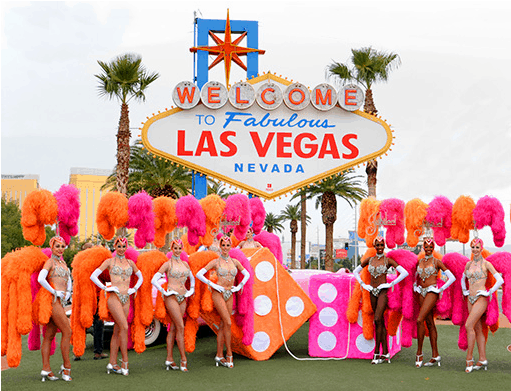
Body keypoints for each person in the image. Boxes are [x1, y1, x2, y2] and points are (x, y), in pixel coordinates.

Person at [90, 237, 143, 376]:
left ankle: (112, 363)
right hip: (114, 298)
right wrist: (106, 288)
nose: (121, 248)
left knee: (117, 331)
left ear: (126, 248)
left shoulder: (130, 263)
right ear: (115, 247)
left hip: (127, 298)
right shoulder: (109, 262)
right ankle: (125, 361)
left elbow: (141, 276)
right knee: (125, 327)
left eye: (123, 246)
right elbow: (93, 276)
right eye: (119, 246)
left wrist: (134, 288)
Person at [195, 235, 250, 368]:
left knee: (223, 325)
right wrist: (212, 285)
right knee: (228, 322)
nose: (225, 248)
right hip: (218, 293)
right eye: (223, 245)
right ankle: (229, 354)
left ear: (230, 247)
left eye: (227, 245)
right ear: (220, 246)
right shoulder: (215, 262)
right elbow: (199, 274)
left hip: (230, 294)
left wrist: (239, 286)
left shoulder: (235, 262)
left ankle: (219, 355)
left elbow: (247, 274)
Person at [353, 236, 409, 364]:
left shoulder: (388, 260)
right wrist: (363, 284)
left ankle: (377, 352)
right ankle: (386, 353)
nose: (379, 247)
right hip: (371, 291)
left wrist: (390, 284)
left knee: (378, 318)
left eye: (381, 245)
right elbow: (356, 271)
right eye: (377, 245)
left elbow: (404, 272)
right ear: (374, 246)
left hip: (383, 292)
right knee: (379, 322)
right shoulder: (370, 260)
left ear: (384, 246)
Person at [151, 239, 195, 372]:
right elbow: (154, 279)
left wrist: (191, 289)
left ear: (182, 249)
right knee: (180, 326)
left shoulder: (185, 264)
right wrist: (164, 291)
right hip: (171, 297)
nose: (177, 250)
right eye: (175, 248)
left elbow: (192, 279)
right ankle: (183, 359)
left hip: (183, 298)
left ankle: (169, 359)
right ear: (171, 249)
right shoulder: (167, 264)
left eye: (179, 248)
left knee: (174, 328)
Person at [461, 238, 503, 373]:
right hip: (470, 299)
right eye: (473, 247)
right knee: (478, 328)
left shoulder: (486, 264)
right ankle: (483, 359)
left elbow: (500, 279)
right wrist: (464, 290)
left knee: (468, 325)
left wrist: (489, 291)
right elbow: (463, 279)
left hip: (481, 299)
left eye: (477, 247)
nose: (475, 250)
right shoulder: (468, 264)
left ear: (481, 248)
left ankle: (469, 359)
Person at [413, 238, 455, 368]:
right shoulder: (419, 262)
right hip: (421, 292)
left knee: (420, 320)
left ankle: (419, 353)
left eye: (431, 246)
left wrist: (440, 288)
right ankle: (435, 355)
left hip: (432, 291)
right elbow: (416, 277)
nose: (428, 248)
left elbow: (452, 277)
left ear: (433, 247)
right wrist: (415, 285)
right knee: (430, 323)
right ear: (423, 248)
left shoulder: (437, 262)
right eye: (426, 246)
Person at [37, 236, 73, 381]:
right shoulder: (50, 261)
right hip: (53, 301)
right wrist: (54, 292)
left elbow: (68, 280)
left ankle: (46, 369)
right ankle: (66, 367)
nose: (60, 249)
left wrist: (68, 293)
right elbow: (41, 278)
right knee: (67, 331)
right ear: (51, 247)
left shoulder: (63, 263)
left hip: (61, 302)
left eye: (62, 246)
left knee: (49, 335)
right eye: (57, 246)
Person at [74, 242, 108, 361]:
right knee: (94, 324)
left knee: (85, 323)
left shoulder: (79, 262)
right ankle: (92, 352)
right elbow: (106, 277)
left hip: (87, 297)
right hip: (89, 297)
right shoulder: (90, 262)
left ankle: (82, 352)